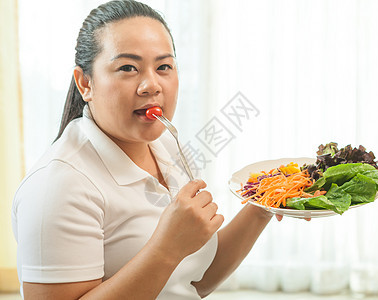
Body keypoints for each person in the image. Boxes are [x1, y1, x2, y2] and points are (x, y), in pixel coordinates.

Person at [12, 1, 281, 299]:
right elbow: (168, 258)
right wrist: (166, 248)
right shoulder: (57, 186)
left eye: (164, 66)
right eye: (128, 68)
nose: (151, 85)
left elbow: (193, 282)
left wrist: (265, 203)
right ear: (85, 83)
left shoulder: (166, 145)